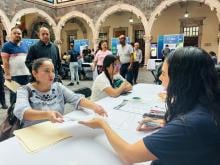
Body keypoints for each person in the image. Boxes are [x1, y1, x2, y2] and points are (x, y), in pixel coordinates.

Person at [80, 47, 220, 165]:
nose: (159, 78)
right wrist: (163, 122)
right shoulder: (206, 106)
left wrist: (102, 124)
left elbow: (128, 155)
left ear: (181, 80)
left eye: (164, 74)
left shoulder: (191, 124)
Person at [14, 58, 107, 128]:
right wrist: (47, 114)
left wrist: (95, 106)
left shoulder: (58, 87)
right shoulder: (24, 90)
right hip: (34, 134)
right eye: (46, 71)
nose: (51, 75)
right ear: (35, 73)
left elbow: (76, 99)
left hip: (57, 130)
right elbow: (22, 111)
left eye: (53, 71)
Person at [1, 27, 30, 104]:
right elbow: (5, 62)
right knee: (15, 96)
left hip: (26, 75)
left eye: (19, 33)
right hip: (14, 76)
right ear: (11, 35)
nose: (17, 35)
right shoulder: (6, 46)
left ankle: (24, 113)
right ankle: (12, 114)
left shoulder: (25, 45)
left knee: (26, 95)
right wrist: (7, 75)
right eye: (15, 33)